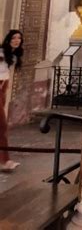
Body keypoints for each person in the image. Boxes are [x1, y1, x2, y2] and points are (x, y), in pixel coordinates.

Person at [0, 29, 23, 171]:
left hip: (3, 89)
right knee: (2, 126)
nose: (16, 40)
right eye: (14, 38)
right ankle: (5, 161)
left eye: (19, 38)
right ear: (8, 40)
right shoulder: (2, 53)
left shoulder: (13, 56)